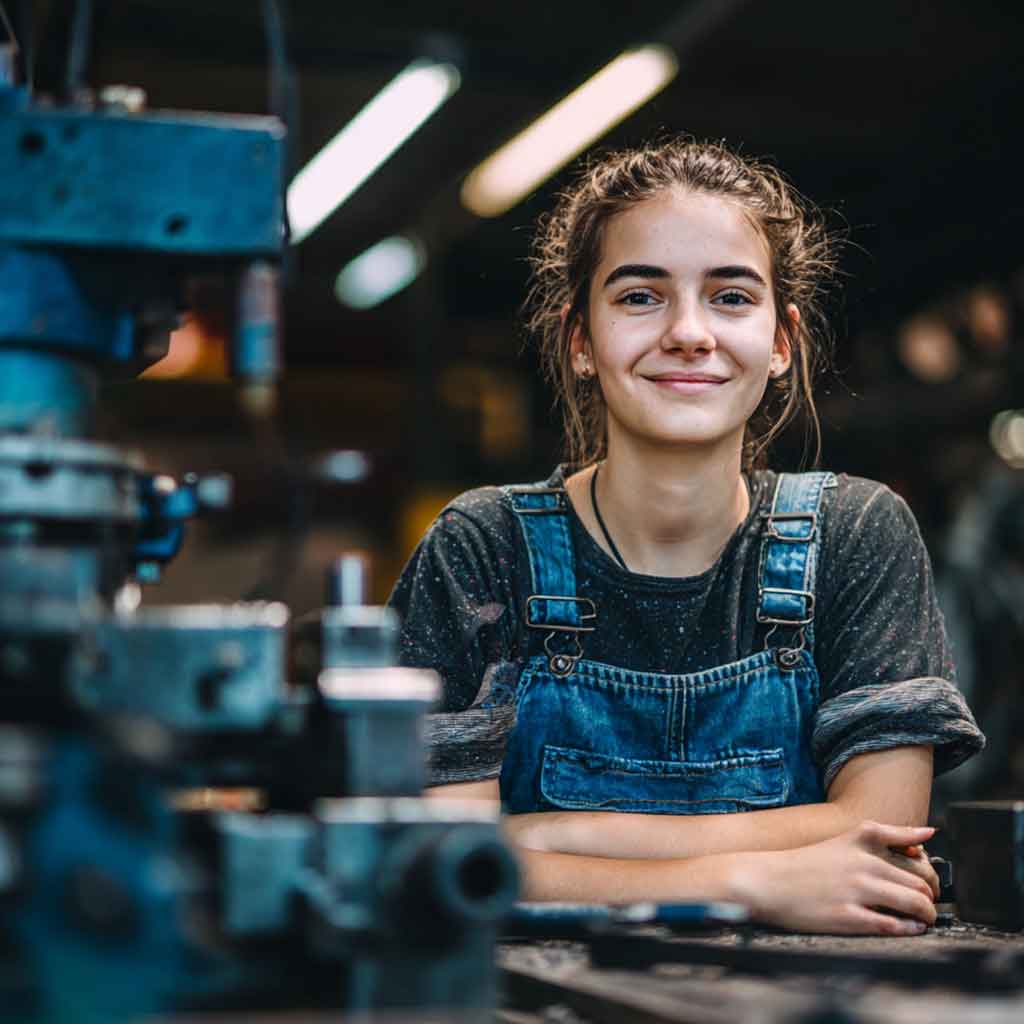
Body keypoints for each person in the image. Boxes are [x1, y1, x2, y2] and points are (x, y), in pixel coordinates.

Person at [389, 138, 984, 934]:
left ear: (781, 342)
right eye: (640, 297)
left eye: (732, 297)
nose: (689, 332)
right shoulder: (483, 547)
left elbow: (882, 834)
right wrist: (745, 880)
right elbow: (438, 860)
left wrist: (543, 838)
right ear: (579, 340)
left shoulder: (856, 535)